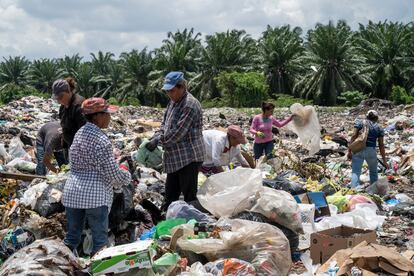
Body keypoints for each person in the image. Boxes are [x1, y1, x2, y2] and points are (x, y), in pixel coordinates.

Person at [62, 97, 131, 256]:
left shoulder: (79, 134)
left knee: (72, 237)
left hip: (73, 193)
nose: (110, 117)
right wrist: (126, 176)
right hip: (95, 197)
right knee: (100, 242)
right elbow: (112, 174)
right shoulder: (101, 140)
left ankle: (60, 265)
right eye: (107, 113)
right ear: (97, 116)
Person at [146, 71, 205, 210]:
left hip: (189, 157)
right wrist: (157, 135)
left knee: (189, 196)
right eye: (167, 92)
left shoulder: (189, 105)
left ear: (182, 87)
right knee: (170, 195)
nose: (169, 94)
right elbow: (164, 124)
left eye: (172, 91)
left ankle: (191, 224)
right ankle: (167, 222)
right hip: (174, 158)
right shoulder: (172, 102)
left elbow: (179, 133)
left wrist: (159, 140)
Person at [348, 110, 388, 187]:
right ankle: (374, 190)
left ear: (367, 116)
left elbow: (353, 136)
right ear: (376, 118)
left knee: (356, 172)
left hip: (358, 149)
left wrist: (349, 150)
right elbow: (381, 145)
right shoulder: (379, 127)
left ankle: (354, 190)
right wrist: (384, 160)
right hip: (371, 151)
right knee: (373, 172)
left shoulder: (360, 123)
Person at [53, 77, 86, 150]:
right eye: (57, 98)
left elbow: (84, 132)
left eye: (61, 97)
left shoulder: (78, 106)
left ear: (68, 91)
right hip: (69, 145)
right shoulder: (63, 107)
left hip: (80, 148)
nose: (59, 101)